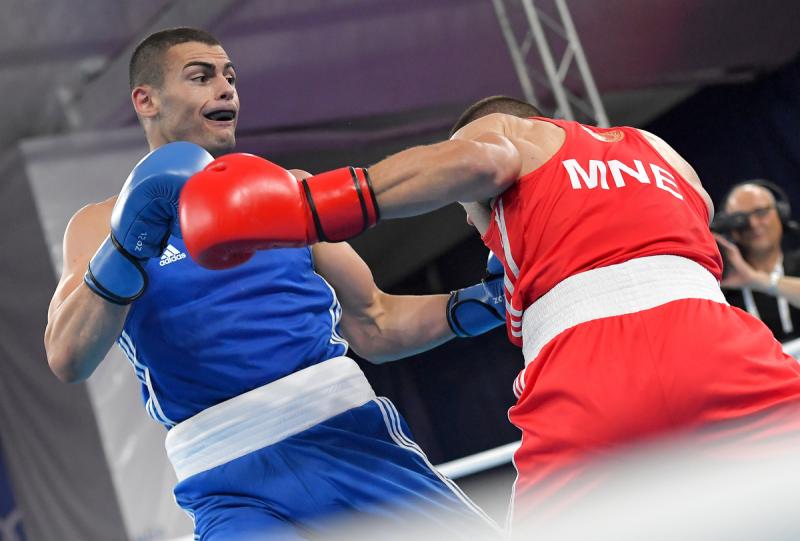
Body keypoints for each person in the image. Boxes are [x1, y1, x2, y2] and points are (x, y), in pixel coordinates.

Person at [179, 95, 800, 528]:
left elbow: (477, 163)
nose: (474, 222)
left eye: (470, 208)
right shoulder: (663, 154)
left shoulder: (510, 136)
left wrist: (304, 207)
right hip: (727, 345)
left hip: (593, 370)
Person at [43, 27, 505, 540]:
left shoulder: (289, 189)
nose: (226, 90)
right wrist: (126, 245)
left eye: (230, 78)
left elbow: (375, 321)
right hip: (229, 485)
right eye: (201, 76)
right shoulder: (98, 225)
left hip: (350, 438)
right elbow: (68, 357)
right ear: (145, 99)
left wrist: (482, 303)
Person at [714, 180, 800, 342]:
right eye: (741, 219)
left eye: (761, 212)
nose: (753, 224)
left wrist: (755, 279)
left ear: (781, 213)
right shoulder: (722, 290)